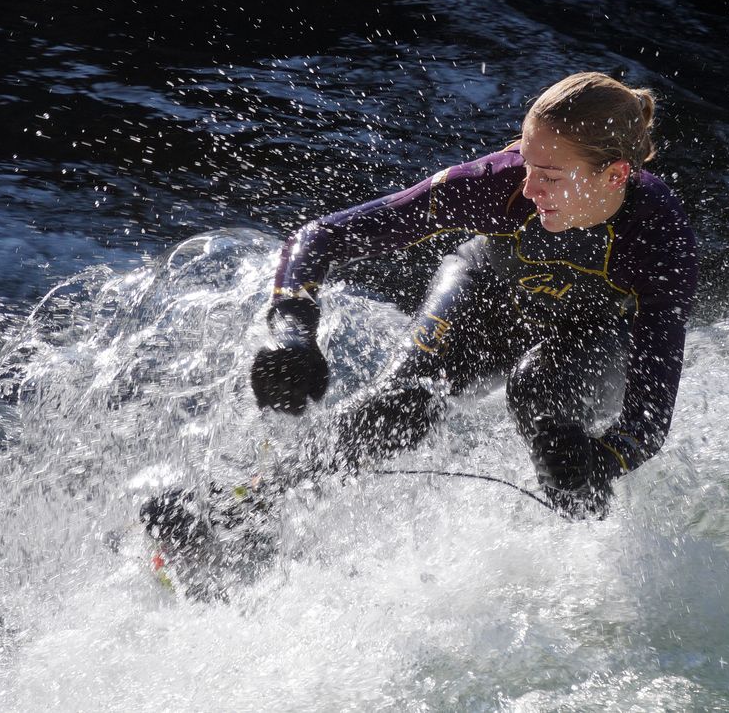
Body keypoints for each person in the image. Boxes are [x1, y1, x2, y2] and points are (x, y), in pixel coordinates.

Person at [142, 72, 698, 551]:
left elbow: (649, 418)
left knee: (545, 408)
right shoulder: (497, 184)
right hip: (489, 292)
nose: (525, 186)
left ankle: (586, 551)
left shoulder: (659, 235)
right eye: (525, 161)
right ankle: (237, 515)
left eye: (548, 175)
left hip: (593, 334)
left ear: (615, 175)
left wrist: (606, 461)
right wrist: (292, 328)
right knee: (400, 404)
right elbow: (323, 236)